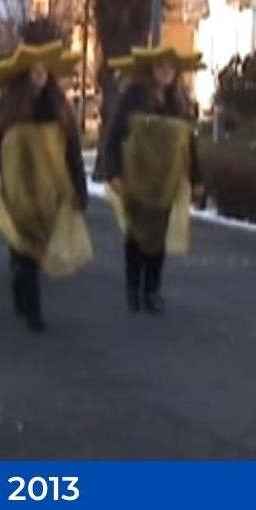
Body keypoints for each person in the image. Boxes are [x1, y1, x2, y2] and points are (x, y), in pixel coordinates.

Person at [0, 41, 92, 333]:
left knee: (34, 248)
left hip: (50, 190)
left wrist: (79, 187)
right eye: (34, 70)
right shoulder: (10, 109)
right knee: (27, 248)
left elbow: (72, 152)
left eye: (44, 71)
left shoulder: (59, 108)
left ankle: (20, 280)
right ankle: (33, 310)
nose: (39, 75)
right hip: (19, 190)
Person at [100, 46, 204, 314]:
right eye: (160, 66)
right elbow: (113, 137)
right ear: (151, 69)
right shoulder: (133, 97)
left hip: (165, 181)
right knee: (136, 233)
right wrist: (114, 173)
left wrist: (197, 178)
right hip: (136, 178)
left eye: (171, 67)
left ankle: (152, 289)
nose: (166, 71)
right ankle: (133, 287)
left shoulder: (179, 103)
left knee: (159, 234)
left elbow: (189, 145)